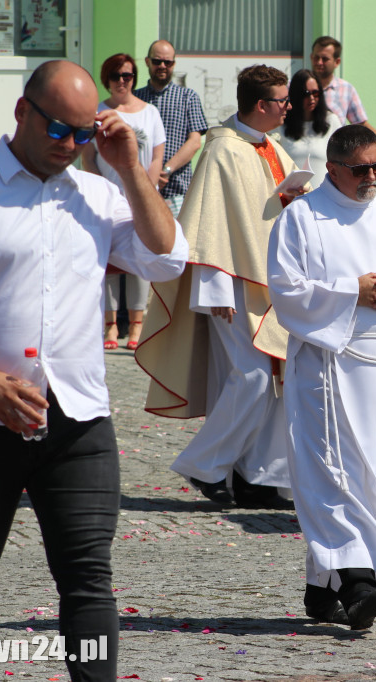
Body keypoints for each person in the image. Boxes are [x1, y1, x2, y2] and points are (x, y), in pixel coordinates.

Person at [0, 60, 186, 680]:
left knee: (89, 579)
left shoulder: (96, 194)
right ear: (20, 113)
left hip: (78, 424)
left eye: (84, 133)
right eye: (59, 130)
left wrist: (124, 167)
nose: (70, 145)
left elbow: (168, 258)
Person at [268, 124, 376, 629]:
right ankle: (357, 579)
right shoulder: (302, 218)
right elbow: (286, 291)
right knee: (331, 470)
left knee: (365, 471)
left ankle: (321, 583)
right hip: (329, 363)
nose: (373, 176)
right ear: (333, 169)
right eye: (361, 169)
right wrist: (353, 292)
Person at [136, 65, 303, 510]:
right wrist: (213, 290)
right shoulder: (222, 151)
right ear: (261, 105)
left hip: (271, 285)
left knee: (278, 381)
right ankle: (203, 465)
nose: (289, 107)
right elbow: (209, 224)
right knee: (251, 377)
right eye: (283, 101)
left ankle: (260, 478)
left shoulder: (272, 149)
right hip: (232, 286)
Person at [83, 53, 166, 351]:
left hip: (140, 197)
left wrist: (148, 188)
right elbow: (88, 157)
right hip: (106, 199)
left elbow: (157, 155)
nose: (122, 81)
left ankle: (136, 325)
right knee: (109, 263)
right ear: (107, 78)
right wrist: (98, 188)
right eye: (116, 76)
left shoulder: (149, 113)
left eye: (127, 76)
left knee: (140, 262)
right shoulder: (98, 112)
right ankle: (111, 326)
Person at [134, 39, 208, 216]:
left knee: (178, 242)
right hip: (138, 188)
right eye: (157, 61)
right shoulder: (135, 98)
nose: (162, 66)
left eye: (167, 62)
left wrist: (165, 170)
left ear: (174, 64)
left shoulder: (188, 97)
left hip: (177, 190)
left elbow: (195, 142)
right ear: (147, 62)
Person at [309, 36, 376, 164]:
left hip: (334, 159)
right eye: (316, 57)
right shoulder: (295, 87)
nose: (319, 62)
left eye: (325, 59)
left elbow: (362, 125)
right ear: (311, 57)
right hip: (304, 155)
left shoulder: (346, 89)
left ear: (337, 62)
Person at [273, 68, 343, 188]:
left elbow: (342, 160)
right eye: (306, 94)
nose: (311, 98)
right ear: (296, 95)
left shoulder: (331, 121)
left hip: (324, 196)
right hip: (291, 196)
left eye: (315, 93)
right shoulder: (281, 124)